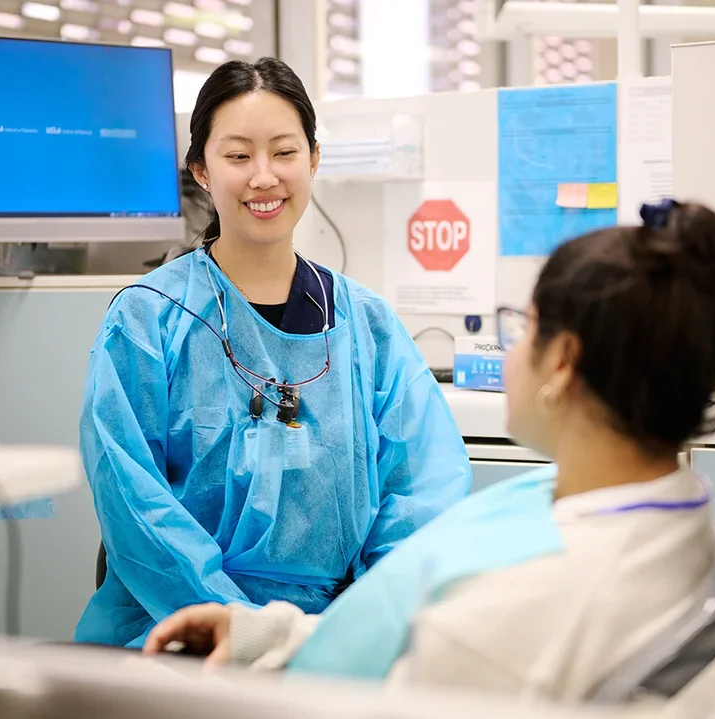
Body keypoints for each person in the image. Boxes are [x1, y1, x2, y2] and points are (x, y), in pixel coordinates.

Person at [143, 199, 715, 703]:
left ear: (562, 363)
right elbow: (402, 633)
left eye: (523, 326)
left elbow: (403, 676)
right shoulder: (654, 509)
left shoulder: (527, 605)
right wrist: (264, 634)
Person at [74, 57, 472, 648]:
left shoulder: (368, 327)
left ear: (313, 159)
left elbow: (424, 493)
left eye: (284, 152)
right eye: (238, 156)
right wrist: (239, 624)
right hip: (181, 628)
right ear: (201, 170)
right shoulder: (148, 319)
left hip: (333, 633)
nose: (264, 177)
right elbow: (135, 506)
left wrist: (356, 624)